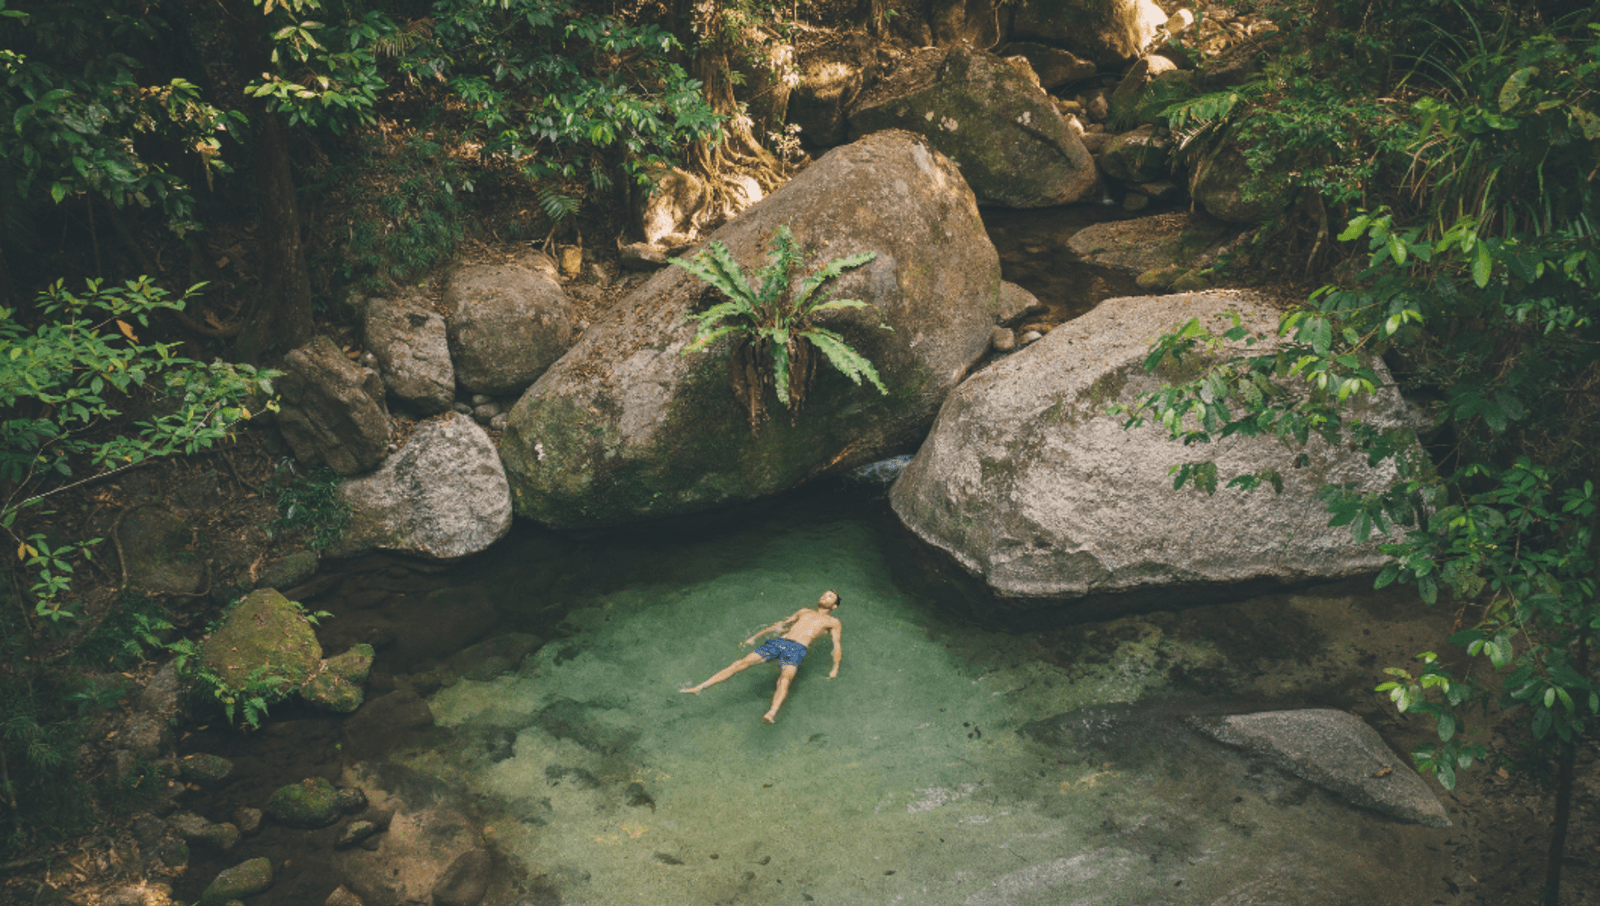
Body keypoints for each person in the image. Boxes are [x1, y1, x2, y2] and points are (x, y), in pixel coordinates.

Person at [681, 590, 843, 723]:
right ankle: (699, 687)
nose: (824, 596)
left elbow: (836, 645)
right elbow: (780, 624)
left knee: (785, 679)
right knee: (739, 663)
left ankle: (771, 713)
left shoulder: (833, 622)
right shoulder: (804, 611)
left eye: (829, 596)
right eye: (824, 593)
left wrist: (835, 668)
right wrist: (755, 636)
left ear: (834, 606)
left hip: (797, 649)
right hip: (780, 642)